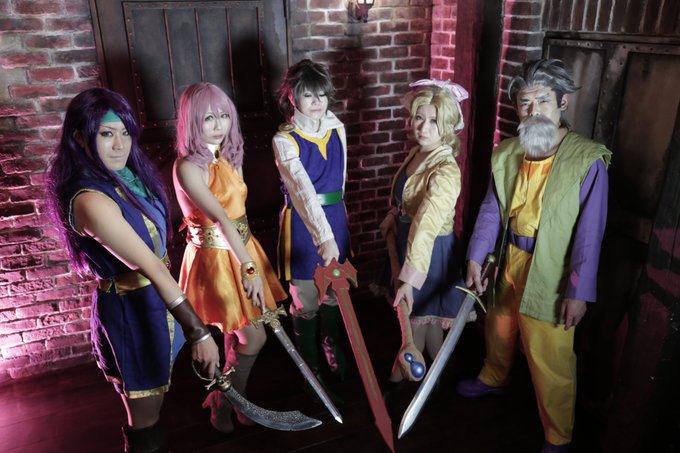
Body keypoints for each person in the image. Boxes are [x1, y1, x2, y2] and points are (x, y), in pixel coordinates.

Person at [45, 87, 220, 452]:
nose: (119, 144)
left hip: (158, 302)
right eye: (106, 134)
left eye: (125, 132)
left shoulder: (126, 177)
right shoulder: (90, 199)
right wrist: (198, 332)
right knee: (145, 418)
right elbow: (151, 265)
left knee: (158, 398)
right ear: (81, 137)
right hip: (131, 312)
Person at [456, 59, 611, 453]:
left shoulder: (586, 159)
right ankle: (494, 377)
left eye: (542, 100)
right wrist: (476, 256)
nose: (533, 110)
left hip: (553, 272)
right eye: (525, 103)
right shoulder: (508, 152)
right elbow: (492, 209)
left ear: (562, 103)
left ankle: (558, 434)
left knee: (550, 353)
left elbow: (590, 234)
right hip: (509, 259)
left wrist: (579, 292)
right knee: (498, 327)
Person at [173, 82, 287, 433]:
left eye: (224, 115)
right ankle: (226, 402)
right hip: (217, 259)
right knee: (255, 337)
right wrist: (249, 269)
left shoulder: (224, 155)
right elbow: (221, 219)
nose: (218, 124)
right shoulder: (187, 167)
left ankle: (229, 399)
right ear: (192, 122)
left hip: (242, 248)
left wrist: (249, 258)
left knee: (235, 333)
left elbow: (238, 215)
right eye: (208, 118)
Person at [376, 80, 472, 388]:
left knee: (415, 321)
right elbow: (406, 198)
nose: (423, 127)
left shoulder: (446, 169)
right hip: (407, 241)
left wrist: (410, 277)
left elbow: (426, 225)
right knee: (427, 321)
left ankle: (398, 381)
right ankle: (439, 375)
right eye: (419, 117)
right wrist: (393, 215)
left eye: (433, 121)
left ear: (448, 126)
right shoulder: (418, 153)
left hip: (429, 251)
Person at [272, 59, 350, 402]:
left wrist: (337, 228)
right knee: (306, 299)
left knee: (333, 292)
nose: (317, 101)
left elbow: (341, 178)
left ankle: (332, 345)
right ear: (292, 97)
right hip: (304, 225)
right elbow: (302, 193)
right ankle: (310, 369)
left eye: (321, 94)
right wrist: (324, 237)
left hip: (336, 217)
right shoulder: (284, 140)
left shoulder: (336, 127)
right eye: (308, 94)